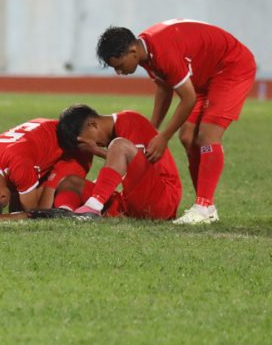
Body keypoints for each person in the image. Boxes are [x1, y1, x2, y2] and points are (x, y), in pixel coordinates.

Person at [95, 20, 256, 224]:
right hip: (204, 75)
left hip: (231, 66)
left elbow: (187, 98)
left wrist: (164, 137)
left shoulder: (162, 52)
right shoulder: (146, 53)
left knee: (208, 134)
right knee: (188, 137)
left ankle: (203, 206)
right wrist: (153, 130)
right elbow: (164, 88)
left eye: (119, 66)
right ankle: (206, 208)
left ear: (132, 51)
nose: (119, 72)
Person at [50, 104, 182, 221]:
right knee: (71, 181)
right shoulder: (115, 134)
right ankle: (66, 212)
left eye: (86, 141)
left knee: (119, 145)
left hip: (162, 201)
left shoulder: (130, 120)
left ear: (92, 124)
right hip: (132, 203)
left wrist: (96, 150)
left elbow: (129, 162)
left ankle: (92, 208)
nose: (93, 145)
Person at [0, 118, 90, 218]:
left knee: (44, 210)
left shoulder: (18, 165)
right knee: (18, 204)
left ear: (3, 197)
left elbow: (32, 214)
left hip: (73, 150)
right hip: (41, 131)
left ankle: (93, 207)